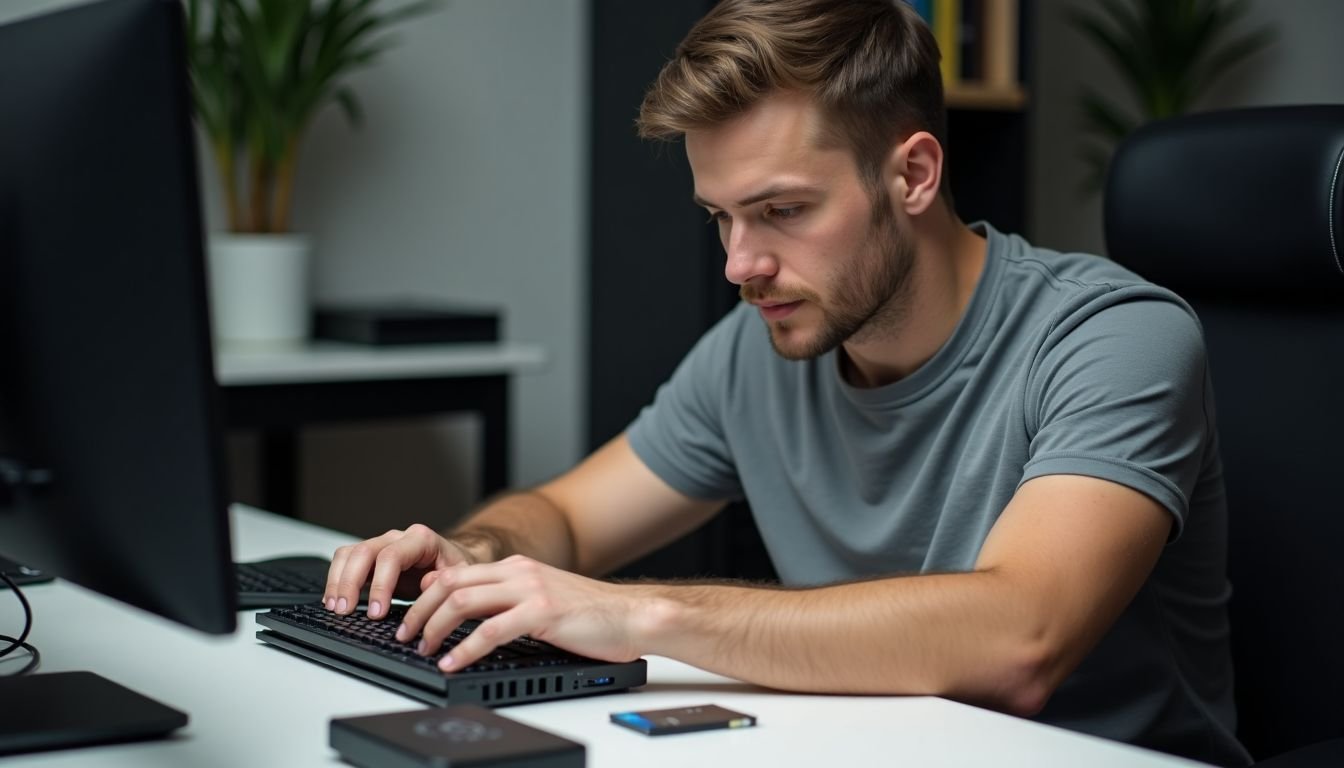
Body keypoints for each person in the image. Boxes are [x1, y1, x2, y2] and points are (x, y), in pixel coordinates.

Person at [323, 1, 1248, 764]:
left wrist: (641, 612)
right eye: (720, 218)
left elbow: (1020, 641)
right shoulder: (758, 347)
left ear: (914, 174)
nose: (740, 263)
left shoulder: (1113, 335)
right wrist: (474, 554)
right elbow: (564, 518)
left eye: (782, 211)